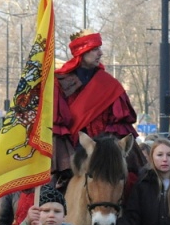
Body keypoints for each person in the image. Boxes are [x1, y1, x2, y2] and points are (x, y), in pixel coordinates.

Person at [52, 29, 139, 185]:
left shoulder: (110, 84)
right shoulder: (59, 82)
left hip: (104, 153)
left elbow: (120, 125)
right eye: (95, 49)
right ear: (82, 51)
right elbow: (56, 123)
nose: (100, 53)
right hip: (71, 150)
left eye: (99, 48)